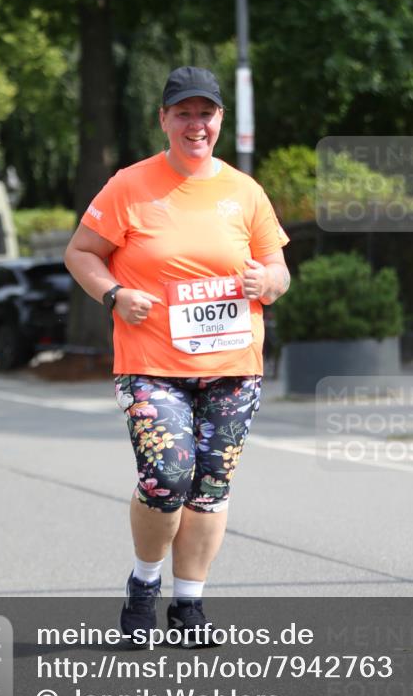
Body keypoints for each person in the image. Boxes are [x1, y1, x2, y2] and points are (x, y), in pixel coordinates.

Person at [65, 66, 290, 644]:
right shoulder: (129, 186)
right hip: (151, 364)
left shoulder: (244, 191)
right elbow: (81, 253)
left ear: (219, 120)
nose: (197, 124)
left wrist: (265, 282)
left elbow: (279, 270)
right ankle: (144, 584)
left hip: (232, 366)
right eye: (184, 113)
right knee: (168, 477)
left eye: (206, 113)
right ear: (163, 119)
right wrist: (114, 293)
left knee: (210, 488)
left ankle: (188, 606)